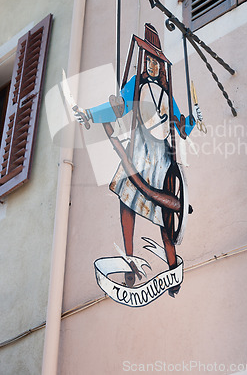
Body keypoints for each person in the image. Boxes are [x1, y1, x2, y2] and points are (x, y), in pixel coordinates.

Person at [75, 24, 195, 296]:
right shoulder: (136, 85)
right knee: (126, 202)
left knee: (165, 217)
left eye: (156, 61)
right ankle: (130, 262)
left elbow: (180, 128)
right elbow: (117, 107)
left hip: (162, 158)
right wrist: (91, 115)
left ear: (161, 64)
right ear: (144, 60)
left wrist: (193, 120)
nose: (153, 65)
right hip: (139, 152)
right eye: (149, 60)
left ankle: (173, 268)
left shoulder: (167, 91)